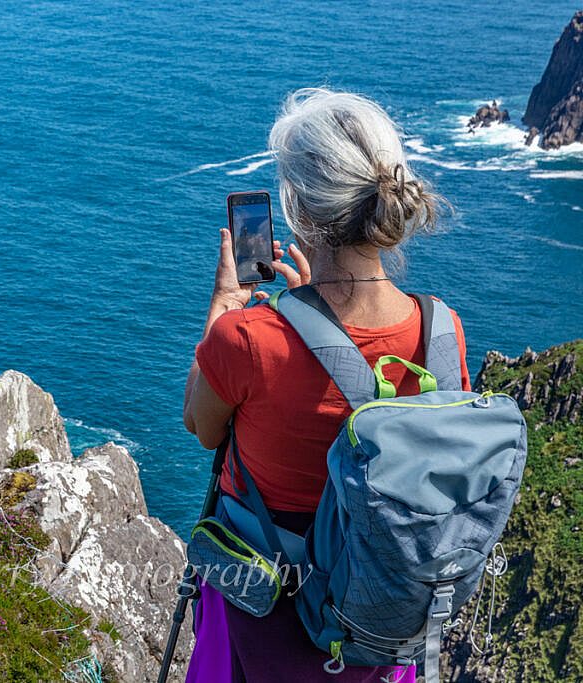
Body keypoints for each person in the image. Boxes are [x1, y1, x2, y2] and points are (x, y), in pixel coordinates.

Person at [182, 89, 471, 682]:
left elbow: (201, 425)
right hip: (379, 630)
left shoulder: (247, 338)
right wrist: (315, 317)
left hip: (263, 626)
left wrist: (226, 307)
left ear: (296, 207)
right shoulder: (442, 330)